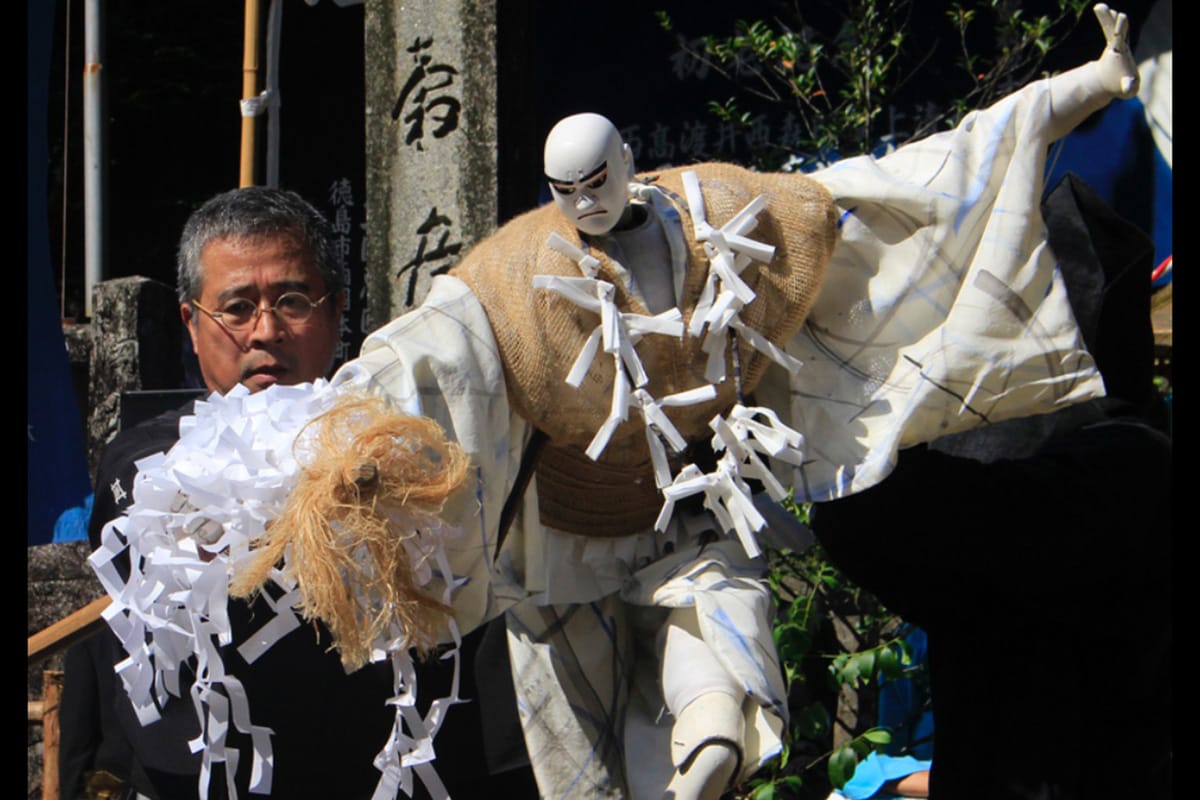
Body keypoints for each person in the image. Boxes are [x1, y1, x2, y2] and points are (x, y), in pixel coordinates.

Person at [84, 6, 1148, 799]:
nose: (590, 203)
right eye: (241, 307)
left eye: (291, 299)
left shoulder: (721, 220)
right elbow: (429, 359)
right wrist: (356, 444)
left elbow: (916, 179)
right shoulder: (517, 281)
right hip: (562, 540)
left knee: (711, 726)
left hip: (691, 505)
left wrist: (1093, 83)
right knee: (584, 764)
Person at [58, 186, 535, 800]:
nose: (266, 331)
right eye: (236, 307)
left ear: (335, 312)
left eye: (292, 300)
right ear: (192, 324)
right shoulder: (150, 459)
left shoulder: (402, 448)